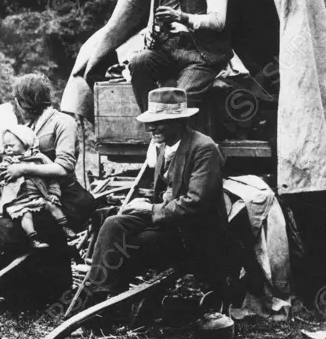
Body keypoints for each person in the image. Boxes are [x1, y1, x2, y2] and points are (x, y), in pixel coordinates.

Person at [84, 87, 231, 311]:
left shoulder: (204, 149)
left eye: (159, 121)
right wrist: (143, 206)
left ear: (180, 121)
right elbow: (164, 192)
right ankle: (99, 297)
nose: (150, 127)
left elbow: (196, 202)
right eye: (150, 121)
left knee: (138, 243)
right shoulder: (164, 148)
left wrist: (151, 209)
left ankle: (117, 303)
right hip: (169, 220)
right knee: (114, 223)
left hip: (194, 233)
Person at [0, 74, 96, 308]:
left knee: (23, 226)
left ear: (26, 101)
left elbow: (64, 166)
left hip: (65, 197)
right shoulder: (27, 127)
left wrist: (24, 168)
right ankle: (11, 291)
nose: (17, 106)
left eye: (18, 101)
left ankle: (49, 294)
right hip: (33, 196)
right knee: (0, 223)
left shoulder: (63, 122)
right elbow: (9, 162)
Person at [129, 0, 232, 113]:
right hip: (168, 54)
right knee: (139, 61)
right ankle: (154, 124)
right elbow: (151, 27)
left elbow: (218, 22)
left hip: (202, 56)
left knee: (180, 98)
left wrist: (181, 18)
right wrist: (152, 35)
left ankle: (178, 136)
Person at [0, 124, 68, 247]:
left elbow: (53, 177)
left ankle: (65, 228)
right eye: (6, 146)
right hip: (18, 200)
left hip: (39, 195)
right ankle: (34, 240)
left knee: (53, 205)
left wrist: (53, 193)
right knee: (26, 215)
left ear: (25, 143)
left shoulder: (39, 158)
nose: (8, 149)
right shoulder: (8, 162)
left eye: (11, 145)